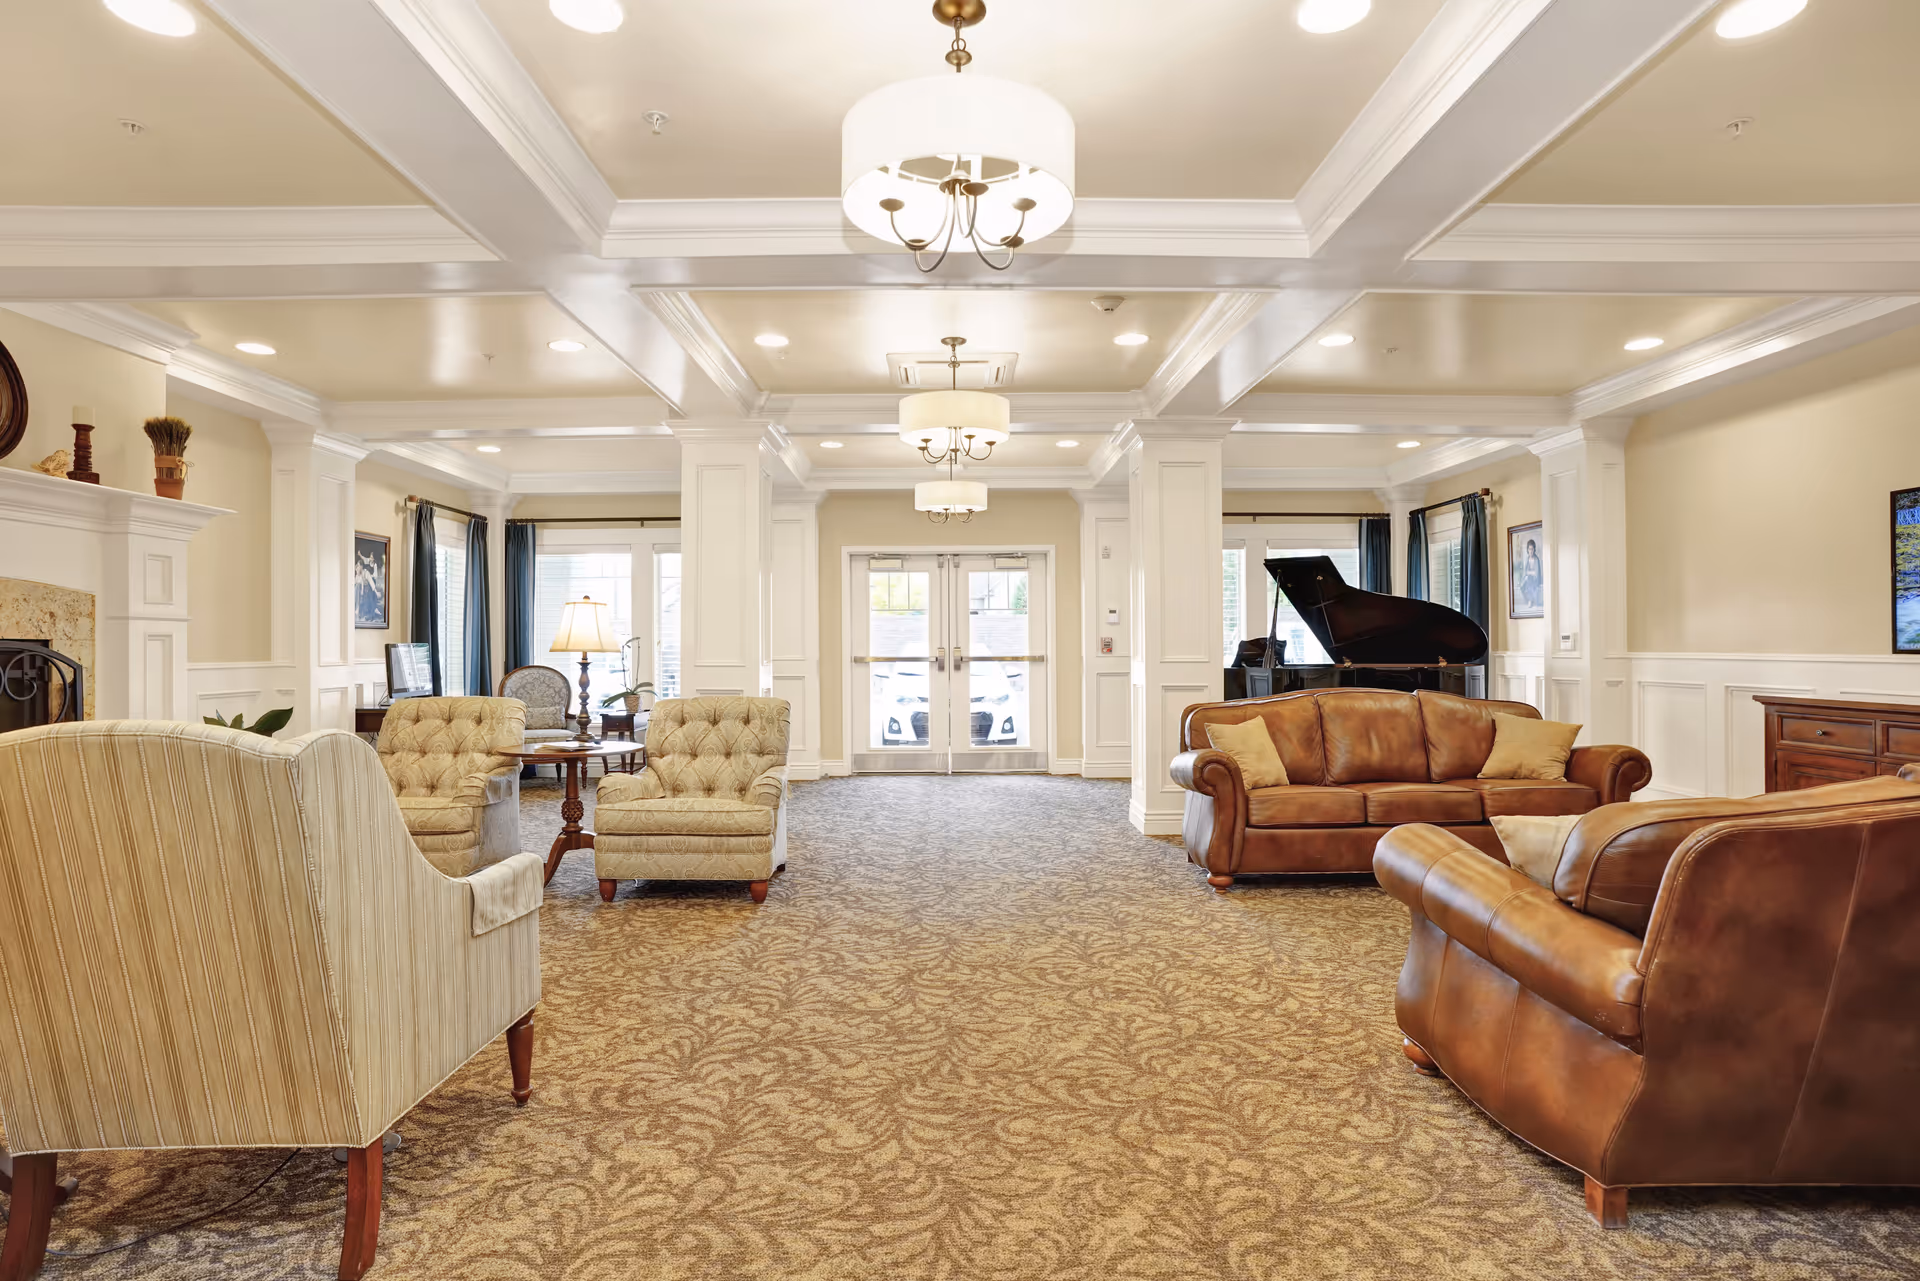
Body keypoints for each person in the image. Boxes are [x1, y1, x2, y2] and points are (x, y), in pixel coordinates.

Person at [1517, 537, 1543, 613]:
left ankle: (1530, 600)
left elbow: (1536, 573)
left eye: (1532, 549)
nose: (1531, 551)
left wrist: (1529, 573)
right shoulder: (1527, 558)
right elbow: (1525, 571)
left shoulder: (1536, 559)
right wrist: (1529, 574)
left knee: (1529, 580)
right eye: (1529, 549)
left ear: (1534, 550)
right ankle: (1528, 599)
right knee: (1523, 584)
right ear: (1527, 550)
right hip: (1528, 577)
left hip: (1535, 579)